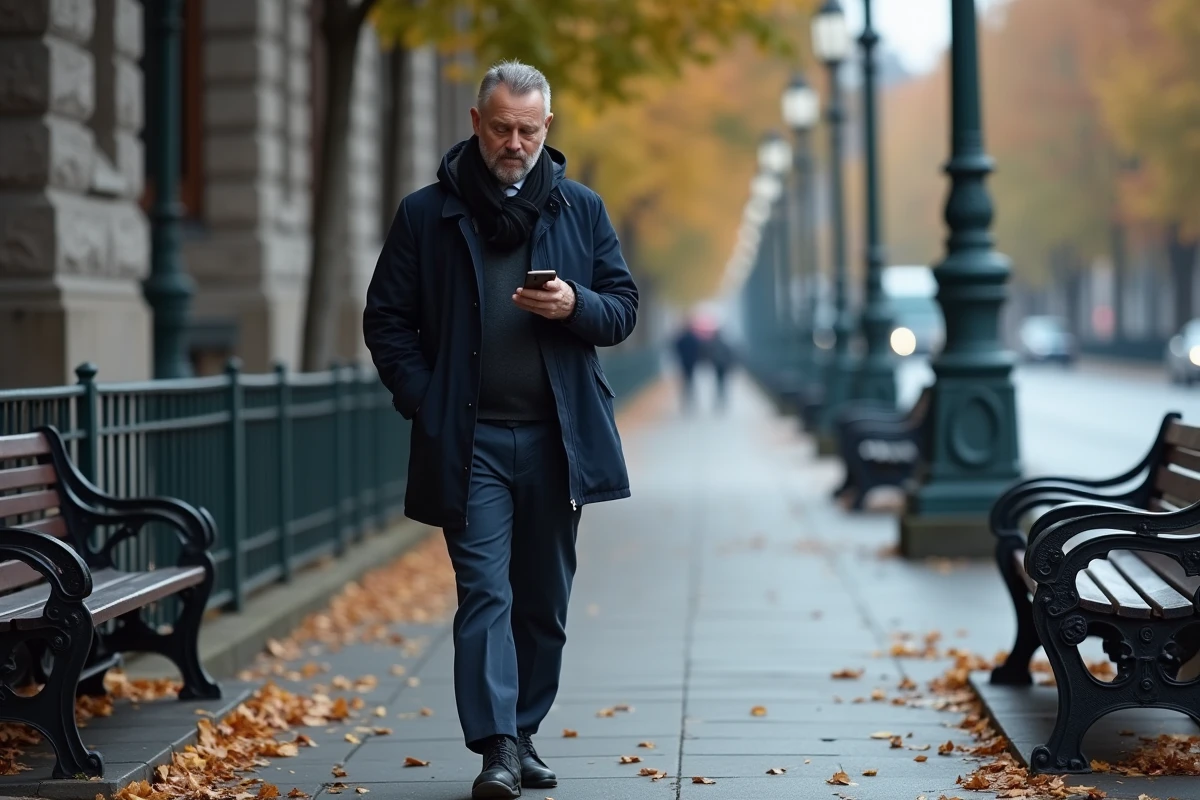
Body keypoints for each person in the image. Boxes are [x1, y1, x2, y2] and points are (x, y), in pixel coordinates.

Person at [362, 60, 638, 799]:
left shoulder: (580, 209)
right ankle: (497, 749)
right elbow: (385, 320)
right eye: (501, 127)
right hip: (471, 442)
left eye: (528, 129)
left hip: (558, 439)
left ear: (548, 129)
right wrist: (428, 399)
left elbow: (622, 309)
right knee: (485, 591)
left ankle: (524, 733)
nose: (514, 142)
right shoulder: (427, 214)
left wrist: (575, 304)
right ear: (477, 125)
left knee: (543, 596)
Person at [672, 323, 702, 410]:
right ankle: (691, 397)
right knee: (691, 379)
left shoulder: (682, 339)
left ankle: (685, 399)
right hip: (692, 362)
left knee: (684, 380)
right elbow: (699, 349)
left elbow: (676, 347)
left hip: (684, 361)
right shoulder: (694, 339)